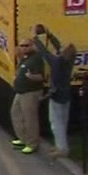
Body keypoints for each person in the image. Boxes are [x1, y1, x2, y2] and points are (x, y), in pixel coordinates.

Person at [33, 26, 76, 158]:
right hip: (66, 93)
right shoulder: (68, 62)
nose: (60, 49)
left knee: (56, 123)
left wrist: (35, 39)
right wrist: (50, 35)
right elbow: (58, 47)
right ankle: (61, 145)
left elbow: (44, 53)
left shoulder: (57, 62)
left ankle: (62, 148)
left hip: (56, 94)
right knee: (63, 121)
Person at [11, 38, 45, 155]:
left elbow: (41, 77)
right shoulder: (25, 58)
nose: (23, 48)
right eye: (22, 45)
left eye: (26, 45)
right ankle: (23, 138)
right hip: (20, 91)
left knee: (30, 119)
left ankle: (32, 144)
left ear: (32, 46)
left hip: (30, 92)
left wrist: (31, 77)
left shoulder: (36, 59)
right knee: (16, 114)